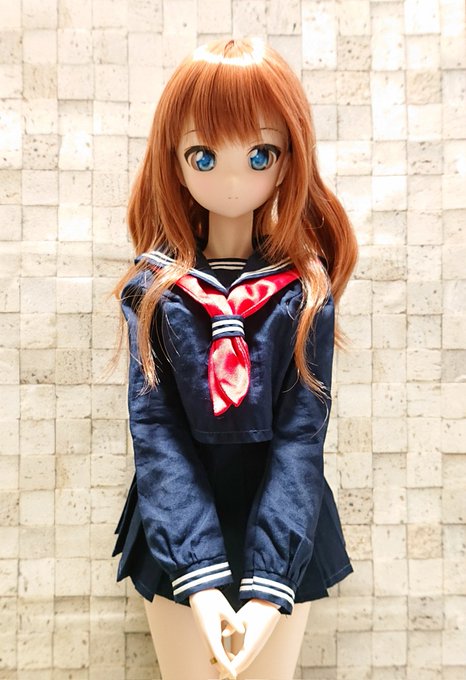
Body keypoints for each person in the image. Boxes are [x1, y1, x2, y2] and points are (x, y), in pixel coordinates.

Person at [110, 37, 358, 680]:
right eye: (203, 155)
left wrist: (271, 584)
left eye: (258, 155)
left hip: (284, 508)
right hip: (178, 510)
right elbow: (155, 429)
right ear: (175, 160)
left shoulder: (303, 289)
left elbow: (303, 435)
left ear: (287, 159)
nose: (230, 180)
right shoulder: (154, 290)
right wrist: (198, 577)